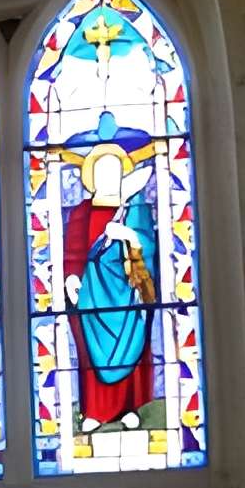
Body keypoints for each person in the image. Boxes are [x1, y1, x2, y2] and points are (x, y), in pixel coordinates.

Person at [60, 130, 156, 428]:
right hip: (92, 289)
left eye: (114, 171)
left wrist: (127, 234)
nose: (108, 177)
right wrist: (71, 277)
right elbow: (73, 249)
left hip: (126, 287)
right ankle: (94, 411)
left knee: (131, 342)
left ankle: (129, 408)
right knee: (92, 349)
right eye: (101, 171)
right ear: (91, 177)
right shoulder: (82, 211)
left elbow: (147, 244)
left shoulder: (133, 208)